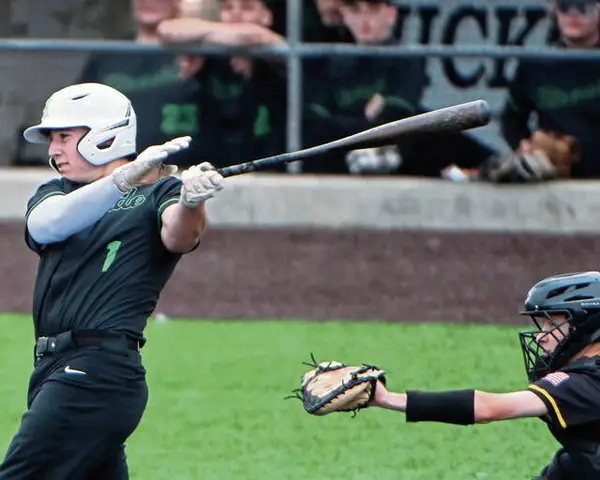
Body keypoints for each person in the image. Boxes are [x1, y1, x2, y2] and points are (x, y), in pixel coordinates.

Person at [0, 82, 224, 479]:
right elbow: (46, 225)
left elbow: (179, 235)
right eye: (52, 139)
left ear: (104, 135)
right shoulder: (57, 193)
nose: (53, 149)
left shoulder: (161, 191)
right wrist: (122, 180)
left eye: (64, 137)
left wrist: (192, 202)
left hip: (96, 374)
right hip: (53, 369)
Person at [369, 270, 600, 479]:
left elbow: (487, 408)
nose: (541, 337)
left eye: (553, 324)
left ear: (586, 325)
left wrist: (387, 399)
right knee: (576, 463)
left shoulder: (583, 383)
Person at [500, 0, 600, 178]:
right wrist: (524, 147)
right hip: (553, 179)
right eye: (565, 6)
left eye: (583, 6)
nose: (573, 14)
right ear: (555, 11)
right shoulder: (534, 65)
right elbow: (511, 119)